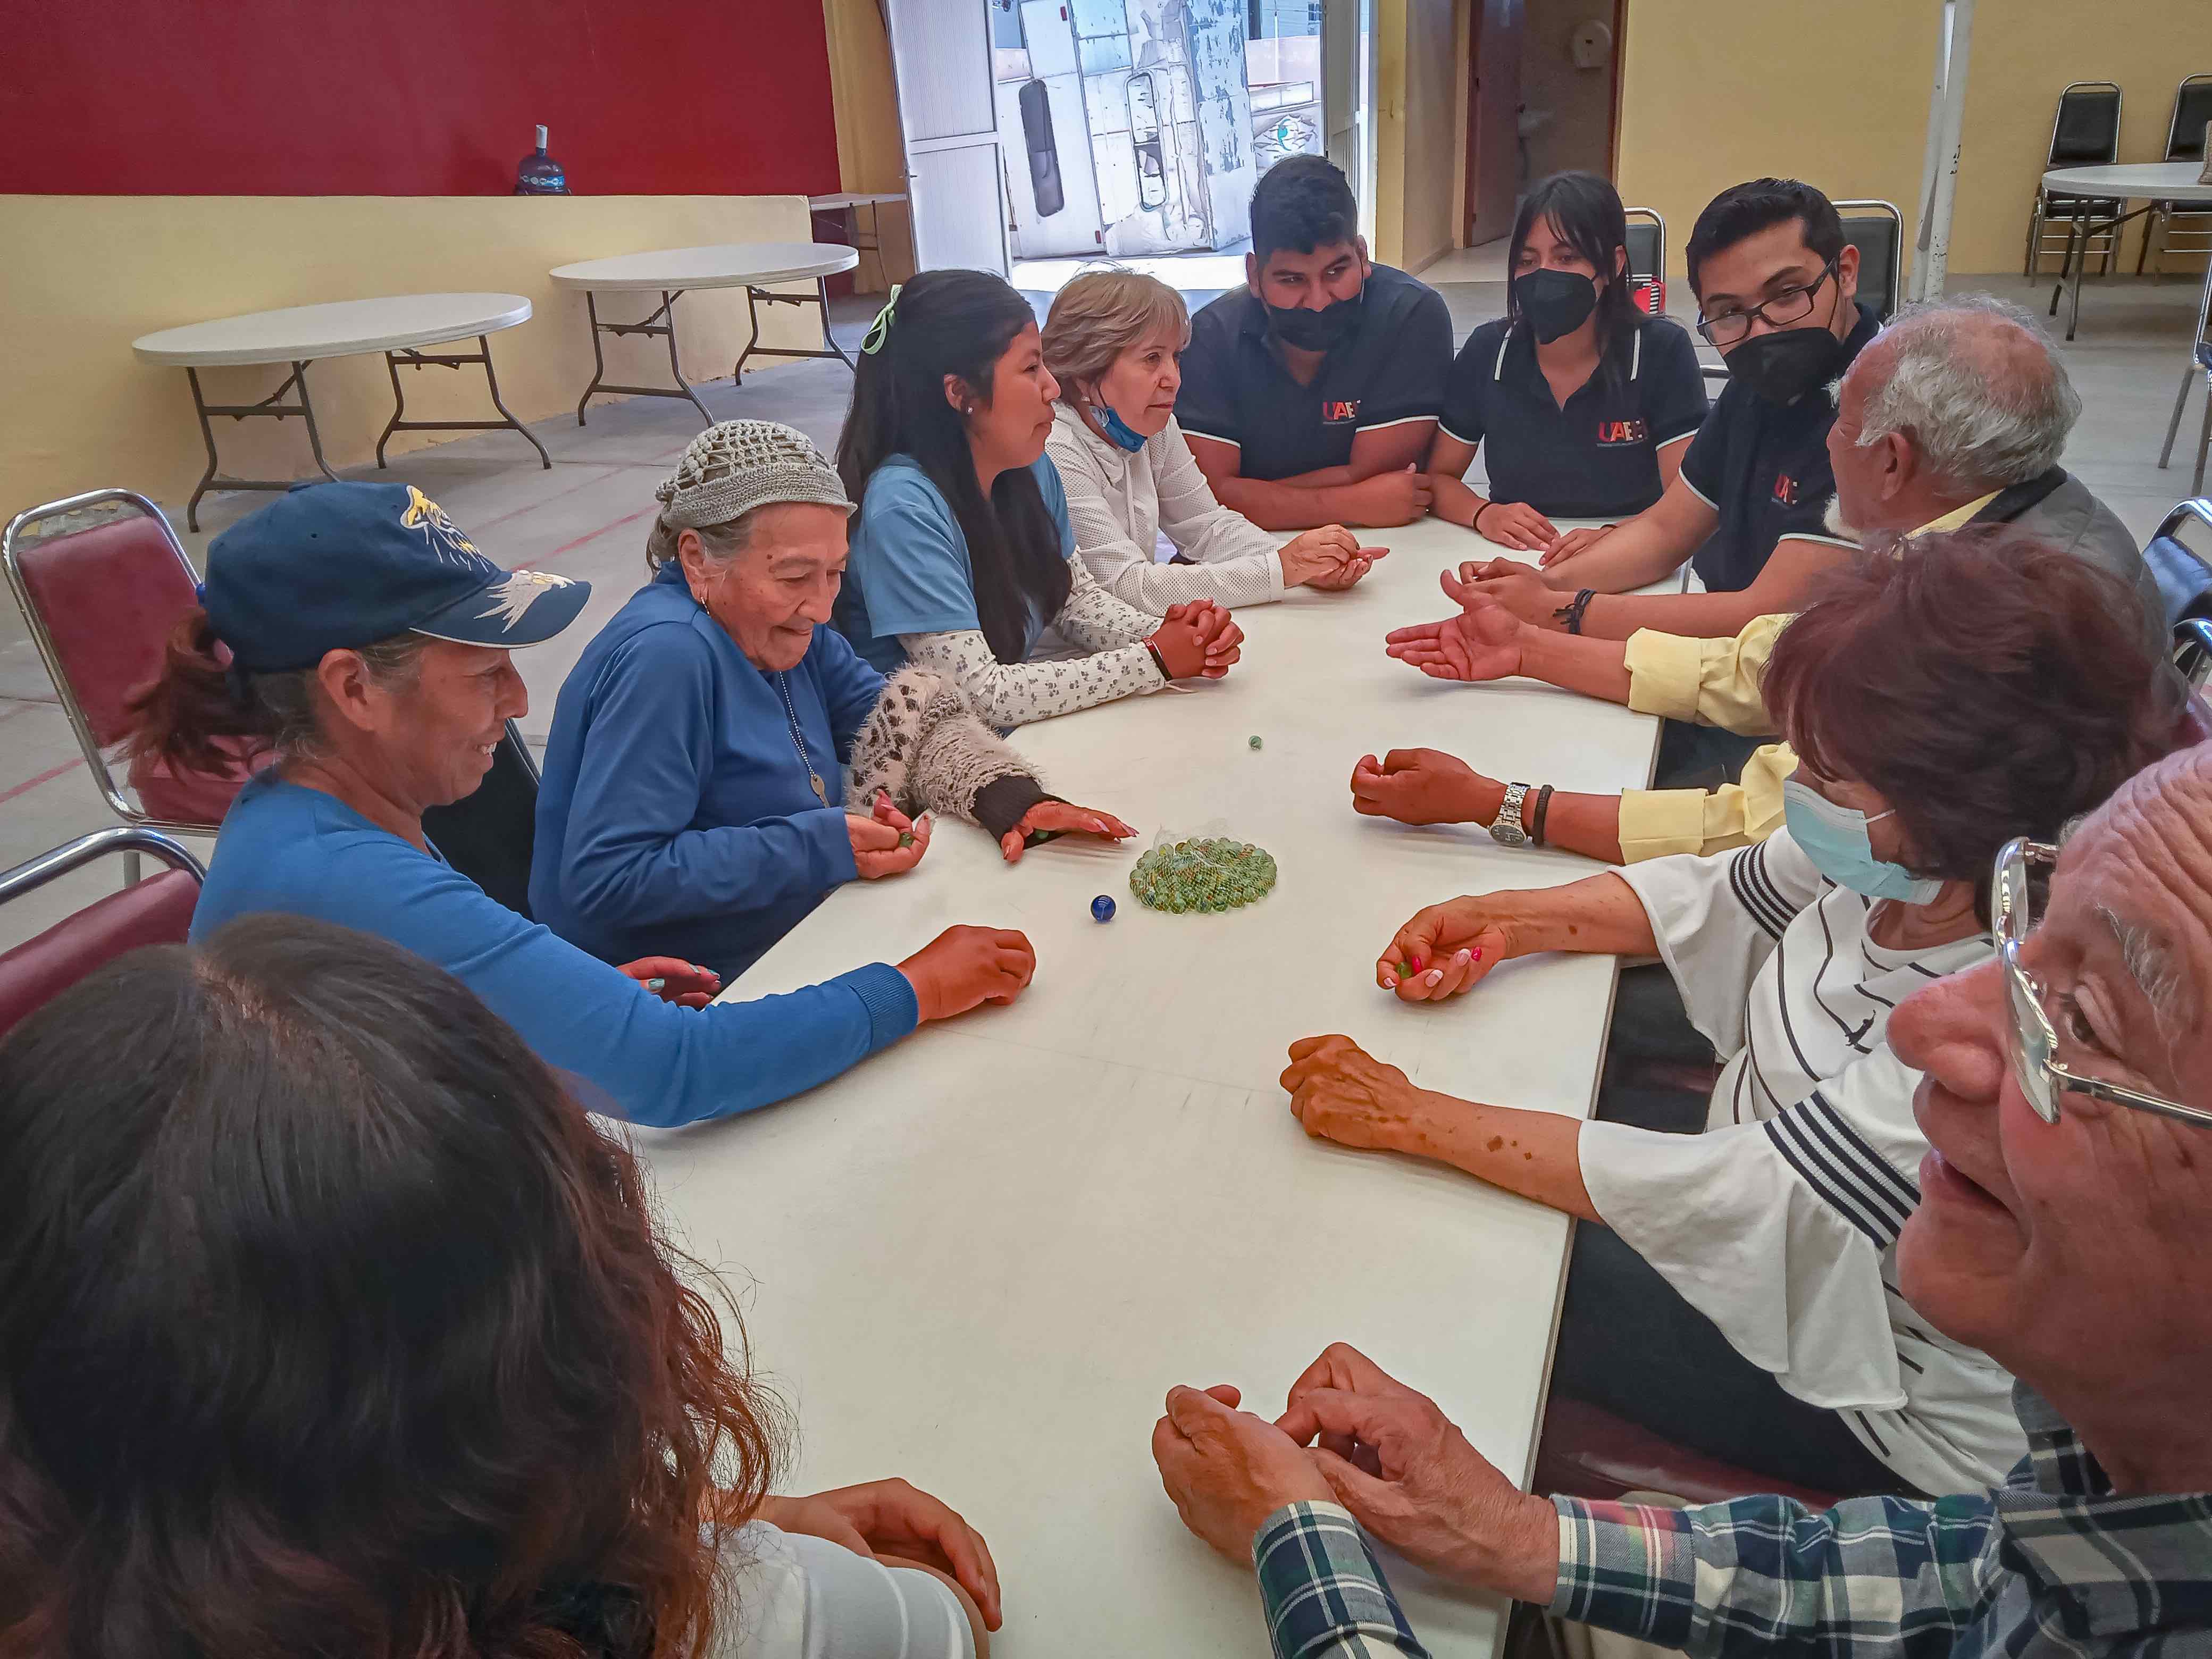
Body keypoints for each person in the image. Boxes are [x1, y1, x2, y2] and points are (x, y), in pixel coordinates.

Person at [1154, 740, 2212, 1659]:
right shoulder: (2110, 1493)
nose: (1926, 1027)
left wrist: (1298, 1545)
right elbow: (1948, 1582)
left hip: (1876, 1408)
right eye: (2026, 931)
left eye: (2074, 1012)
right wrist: (1515, 1535)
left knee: (1487, 1290)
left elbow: (1735, 1197)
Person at [1321, 534, 2183, 1500]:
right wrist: (1505, 919)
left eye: (1828, 775)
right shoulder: (1904, 852)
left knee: (1466, 1273)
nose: (1796, 792)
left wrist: (1408, 1114)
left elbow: (1734, 1197)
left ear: (1955, 806)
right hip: (1751, 1184)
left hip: (1879, 1401)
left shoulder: (1997, 1021)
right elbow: (1714, 893)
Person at [0, 914, 1000, 1658]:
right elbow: (943, 1626)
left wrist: (732, 1518)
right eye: (474, 659)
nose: (518, 696)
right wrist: (723, 1549)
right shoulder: (755, 1619)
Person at [128, 482, 1035, 1130]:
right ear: (354, 689)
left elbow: (421, 999)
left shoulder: (311, 814)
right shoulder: (340, 875)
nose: (521, 703)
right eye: (486, 671)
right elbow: (678, 1073)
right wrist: (914, 987)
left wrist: (550, 1004)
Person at [1364, 294, 2167, 865]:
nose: (1824, 447)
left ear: (1893, 461)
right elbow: (1772, 662)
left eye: (1841, 424)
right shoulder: (1989, 514)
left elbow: (1761, 831)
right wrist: (1533, 647)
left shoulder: (1986, 621)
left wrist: (1497, 806)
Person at [533, 421, 1133, 982]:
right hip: (696, 987)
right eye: (794, 578)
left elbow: (905, 719)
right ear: (696, 558)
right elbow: (608, 878)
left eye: (835, 574)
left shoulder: (783, 631)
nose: (821, 609)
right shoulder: (667, 658)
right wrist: (819, 846)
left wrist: (1009, 799)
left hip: (788, 931)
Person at [1459, 177, 1874, 648]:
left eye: (1786, 295)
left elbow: (1765, 615)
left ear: (1846, 271)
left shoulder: (1876, 410)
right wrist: (1535, 587)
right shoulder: (1756, 390)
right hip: (1723, 651)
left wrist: (1564, 612)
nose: (1761, 331)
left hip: (1789, 686)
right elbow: (1665, 531)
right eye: (1729, 311)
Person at [834, 269, 1242, 726]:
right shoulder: (902, 508)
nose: (1052, 386)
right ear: (960, 393)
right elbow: (979, 694)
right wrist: (1154, 659)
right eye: (1031, 369)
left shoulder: (1028, 464)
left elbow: (1074, 601)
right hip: (925, 771)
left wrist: (1175, 635)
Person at [1042, 268, 1385, 609]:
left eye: (1175, 357)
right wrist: (1282, 569)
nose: (1173, 379)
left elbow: (1208, 527)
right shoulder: (1056, 450)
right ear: (1086, 373)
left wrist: (1300, 564)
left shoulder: (1151, 426)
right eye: (1151, 359)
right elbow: (1127, 587)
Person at [1176, 154, 1454, 531]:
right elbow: (1206, 500)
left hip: (1386, 539)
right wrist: (1353, 503)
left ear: (1362, 255)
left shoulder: (1412, 316)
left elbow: (1382, 474)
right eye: (1292, 280)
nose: (1319, 300)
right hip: (1250, 549)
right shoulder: (1209, 337)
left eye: (1337, 272)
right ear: (1255, 276)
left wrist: (1249, 496)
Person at [1428, 171, 1708, 546]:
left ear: (1613, 265)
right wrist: (1483, 514)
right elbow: (1438, 480)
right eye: (1528, 261)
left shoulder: (1661, 351)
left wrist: (1612, 537)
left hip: (1634, 549)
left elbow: (1688, 502)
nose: (1544, 275)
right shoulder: (1489, 351)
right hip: (1516, 554)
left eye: (1567, 257)